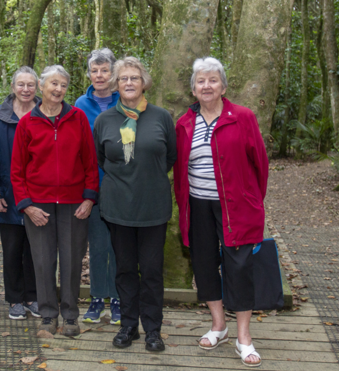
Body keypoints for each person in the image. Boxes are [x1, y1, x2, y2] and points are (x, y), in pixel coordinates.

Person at [174, 57, 268, 367]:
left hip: (236, 206)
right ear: (193, 88)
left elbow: (260, 165)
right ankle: (219, 326)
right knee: (203, 265)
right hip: (197, 205)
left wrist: (252, 201)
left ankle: (244, 336)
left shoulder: (243, 117)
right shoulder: (184, 124)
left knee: (239, 268)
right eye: (200, 81)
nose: (207, 85)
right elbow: (179, 169)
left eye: (212, 80)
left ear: (223, 85)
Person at [93, 57, 177, 352]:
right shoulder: (104, 121)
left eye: (134, 78)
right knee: (125, 269)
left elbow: (170, 158)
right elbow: (100, 160)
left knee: (152, 270)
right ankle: (129, 325)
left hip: (153, 208)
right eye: (123, 79)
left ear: (144, 83)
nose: (129, 83)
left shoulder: (161, 117)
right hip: (118, 209)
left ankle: (153, 329)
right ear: (116, 85)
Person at [11, 65, 99, 337]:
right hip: (38, 206)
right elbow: (17, 170)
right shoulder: (28, 122)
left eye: (63, 85)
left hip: (74, 204)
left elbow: (90, 162)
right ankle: (48, 315)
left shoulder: (78, 118)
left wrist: (89, 198)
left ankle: (70, 316)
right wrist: (26, 205)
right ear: (41, 86)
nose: (58, 89)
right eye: (53, 84)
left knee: (72, 262)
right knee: (42, 260)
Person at [0, 67, 41, 321]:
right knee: (13, 249)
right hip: (8, 193)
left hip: (39, 194)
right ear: (13, 86)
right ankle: (15, 299)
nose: (26, 89)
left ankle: (34, 296)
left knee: (37, 249)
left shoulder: (46, 113)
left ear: (37, 87)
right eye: (21, 84)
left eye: (30, 85)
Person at [75, 48, 121, 324]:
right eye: (95, 70)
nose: (100, 75)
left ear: (113, 73)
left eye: (105, 70)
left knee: (119, 245)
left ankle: (117, 297)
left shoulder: (125, 100)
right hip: (91, 186)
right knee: (98, 244)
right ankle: (96, 298)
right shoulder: (81, 104)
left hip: (120, 186)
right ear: (89, 74)